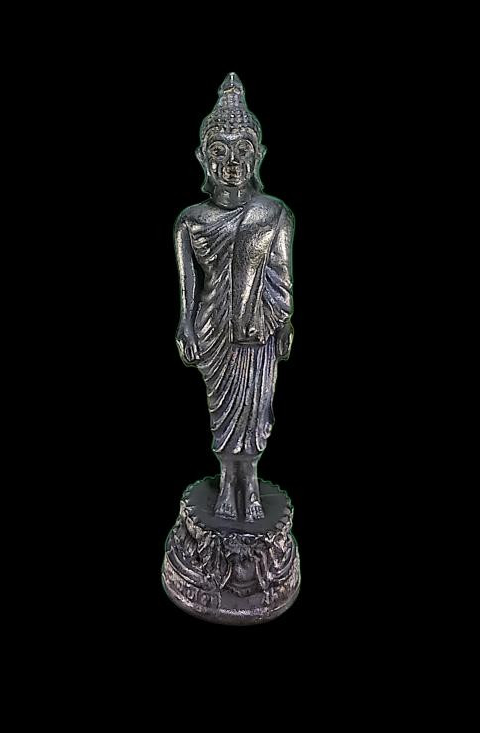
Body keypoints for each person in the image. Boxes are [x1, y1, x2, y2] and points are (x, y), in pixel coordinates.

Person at [174, 73, 294, 522]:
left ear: (258, 155)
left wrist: (282, 321)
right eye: (220, 152)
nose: (231, 163)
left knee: (257, 409)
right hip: (215, 327)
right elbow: (187, 287)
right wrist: (186, 325)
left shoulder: (274, 214)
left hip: (259, 326)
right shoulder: (190, 221)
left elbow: (281, 277)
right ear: (203, 158)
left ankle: (252, 483)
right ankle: (228, 484)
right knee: (223, 411)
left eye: (242, 150)